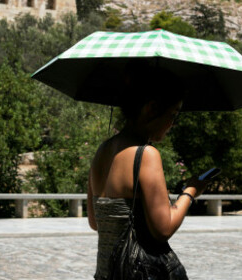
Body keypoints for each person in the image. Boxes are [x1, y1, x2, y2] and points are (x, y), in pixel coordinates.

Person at [87, 65, 208, 279]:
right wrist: (190, 191)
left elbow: (96, 222)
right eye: (173, 114)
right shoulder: (146, 155)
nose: (172, 124)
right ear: (151, 108)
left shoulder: (101, 151)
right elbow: (163, 229)